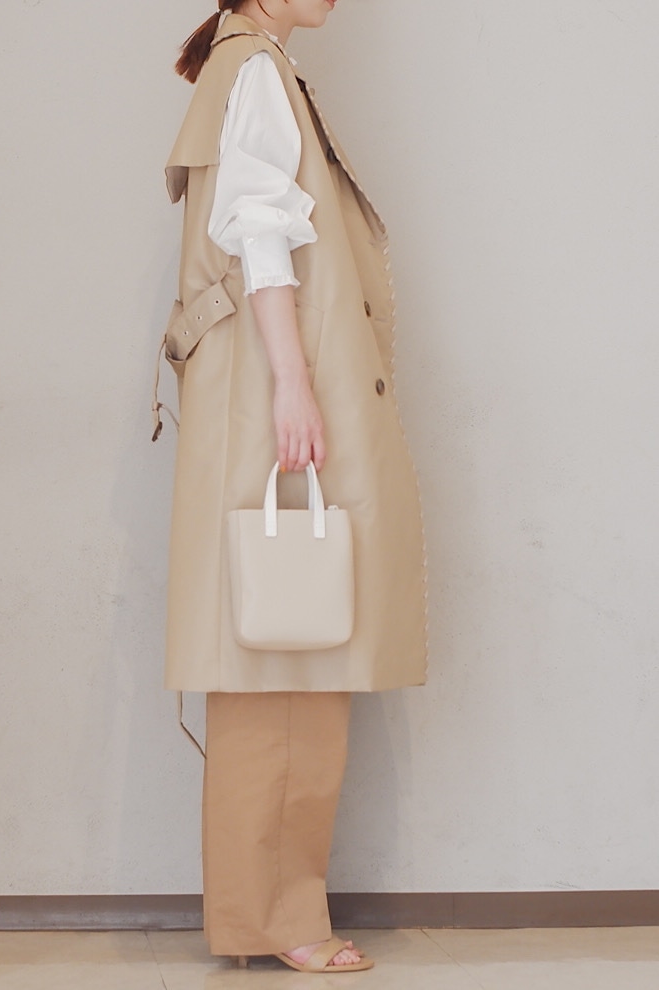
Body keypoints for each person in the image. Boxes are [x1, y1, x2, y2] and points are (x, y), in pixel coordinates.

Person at [155, 0, 429, 974]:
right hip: (277, 396)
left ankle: (266, 914)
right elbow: (259, 235)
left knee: (285, 664)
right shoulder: (255, 70)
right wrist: (293, 383)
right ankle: (281, 920)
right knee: (285, 670)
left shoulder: (251, 64)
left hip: (267, 392)